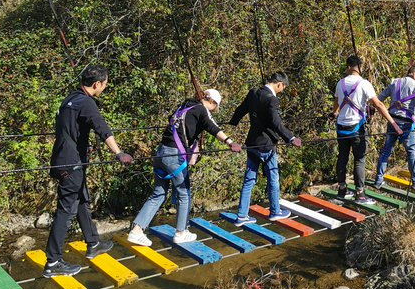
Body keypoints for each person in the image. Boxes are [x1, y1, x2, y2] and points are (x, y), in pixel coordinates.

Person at [43, 64, 134, 278]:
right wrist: (119, 153)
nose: (105, 87)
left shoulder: (70, 99)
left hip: (63, 160)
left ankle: (93, 244)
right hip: (71, 164)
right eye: (104, 84)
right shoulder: (86, 102)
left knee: (83, 199)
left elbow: (73, 130)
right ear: (96, 84)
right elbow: (102, 128)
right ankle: (52, 262)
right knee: (65, 212)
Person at [126, 89, 242, 246]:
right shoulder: (202, 109)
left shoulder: (184, 106)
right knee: (184, 193)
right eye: (215, 108)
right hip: (174, 155)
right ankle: (180, 232)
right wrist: (230, 142)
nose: (214, 111)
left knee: (158, 193)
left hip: (161, 153)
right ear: (212, 102)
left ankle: (136, 230)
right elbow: (212, 127)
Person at [230, 71, 300, 226]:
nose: (282, 90)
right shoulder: (272, 99)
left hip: (252, 143)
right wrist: (291, 138)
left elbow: (241, 109)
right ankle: (274, 211)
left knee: (249, 180)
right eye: (283, 88)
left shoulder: (253, 92)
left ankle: (241, 216)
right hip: (266, 146)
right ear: (279, 84)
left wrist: (232, 122)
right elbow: (276, 122)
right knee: (273, 178)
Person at [331, 55, 403, 204]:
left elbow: (337, 102)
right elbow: (379, 105)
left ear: (349, 67)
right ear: (360, 68)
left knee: (342, 156)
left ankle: (342, 190)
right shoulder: (364, 84)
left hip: (341, 127)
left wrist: (334, 113)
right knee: (359, 159)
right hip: (357, 128)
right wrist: (393, 123)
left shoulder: (340, 83)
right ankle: (360, 194)